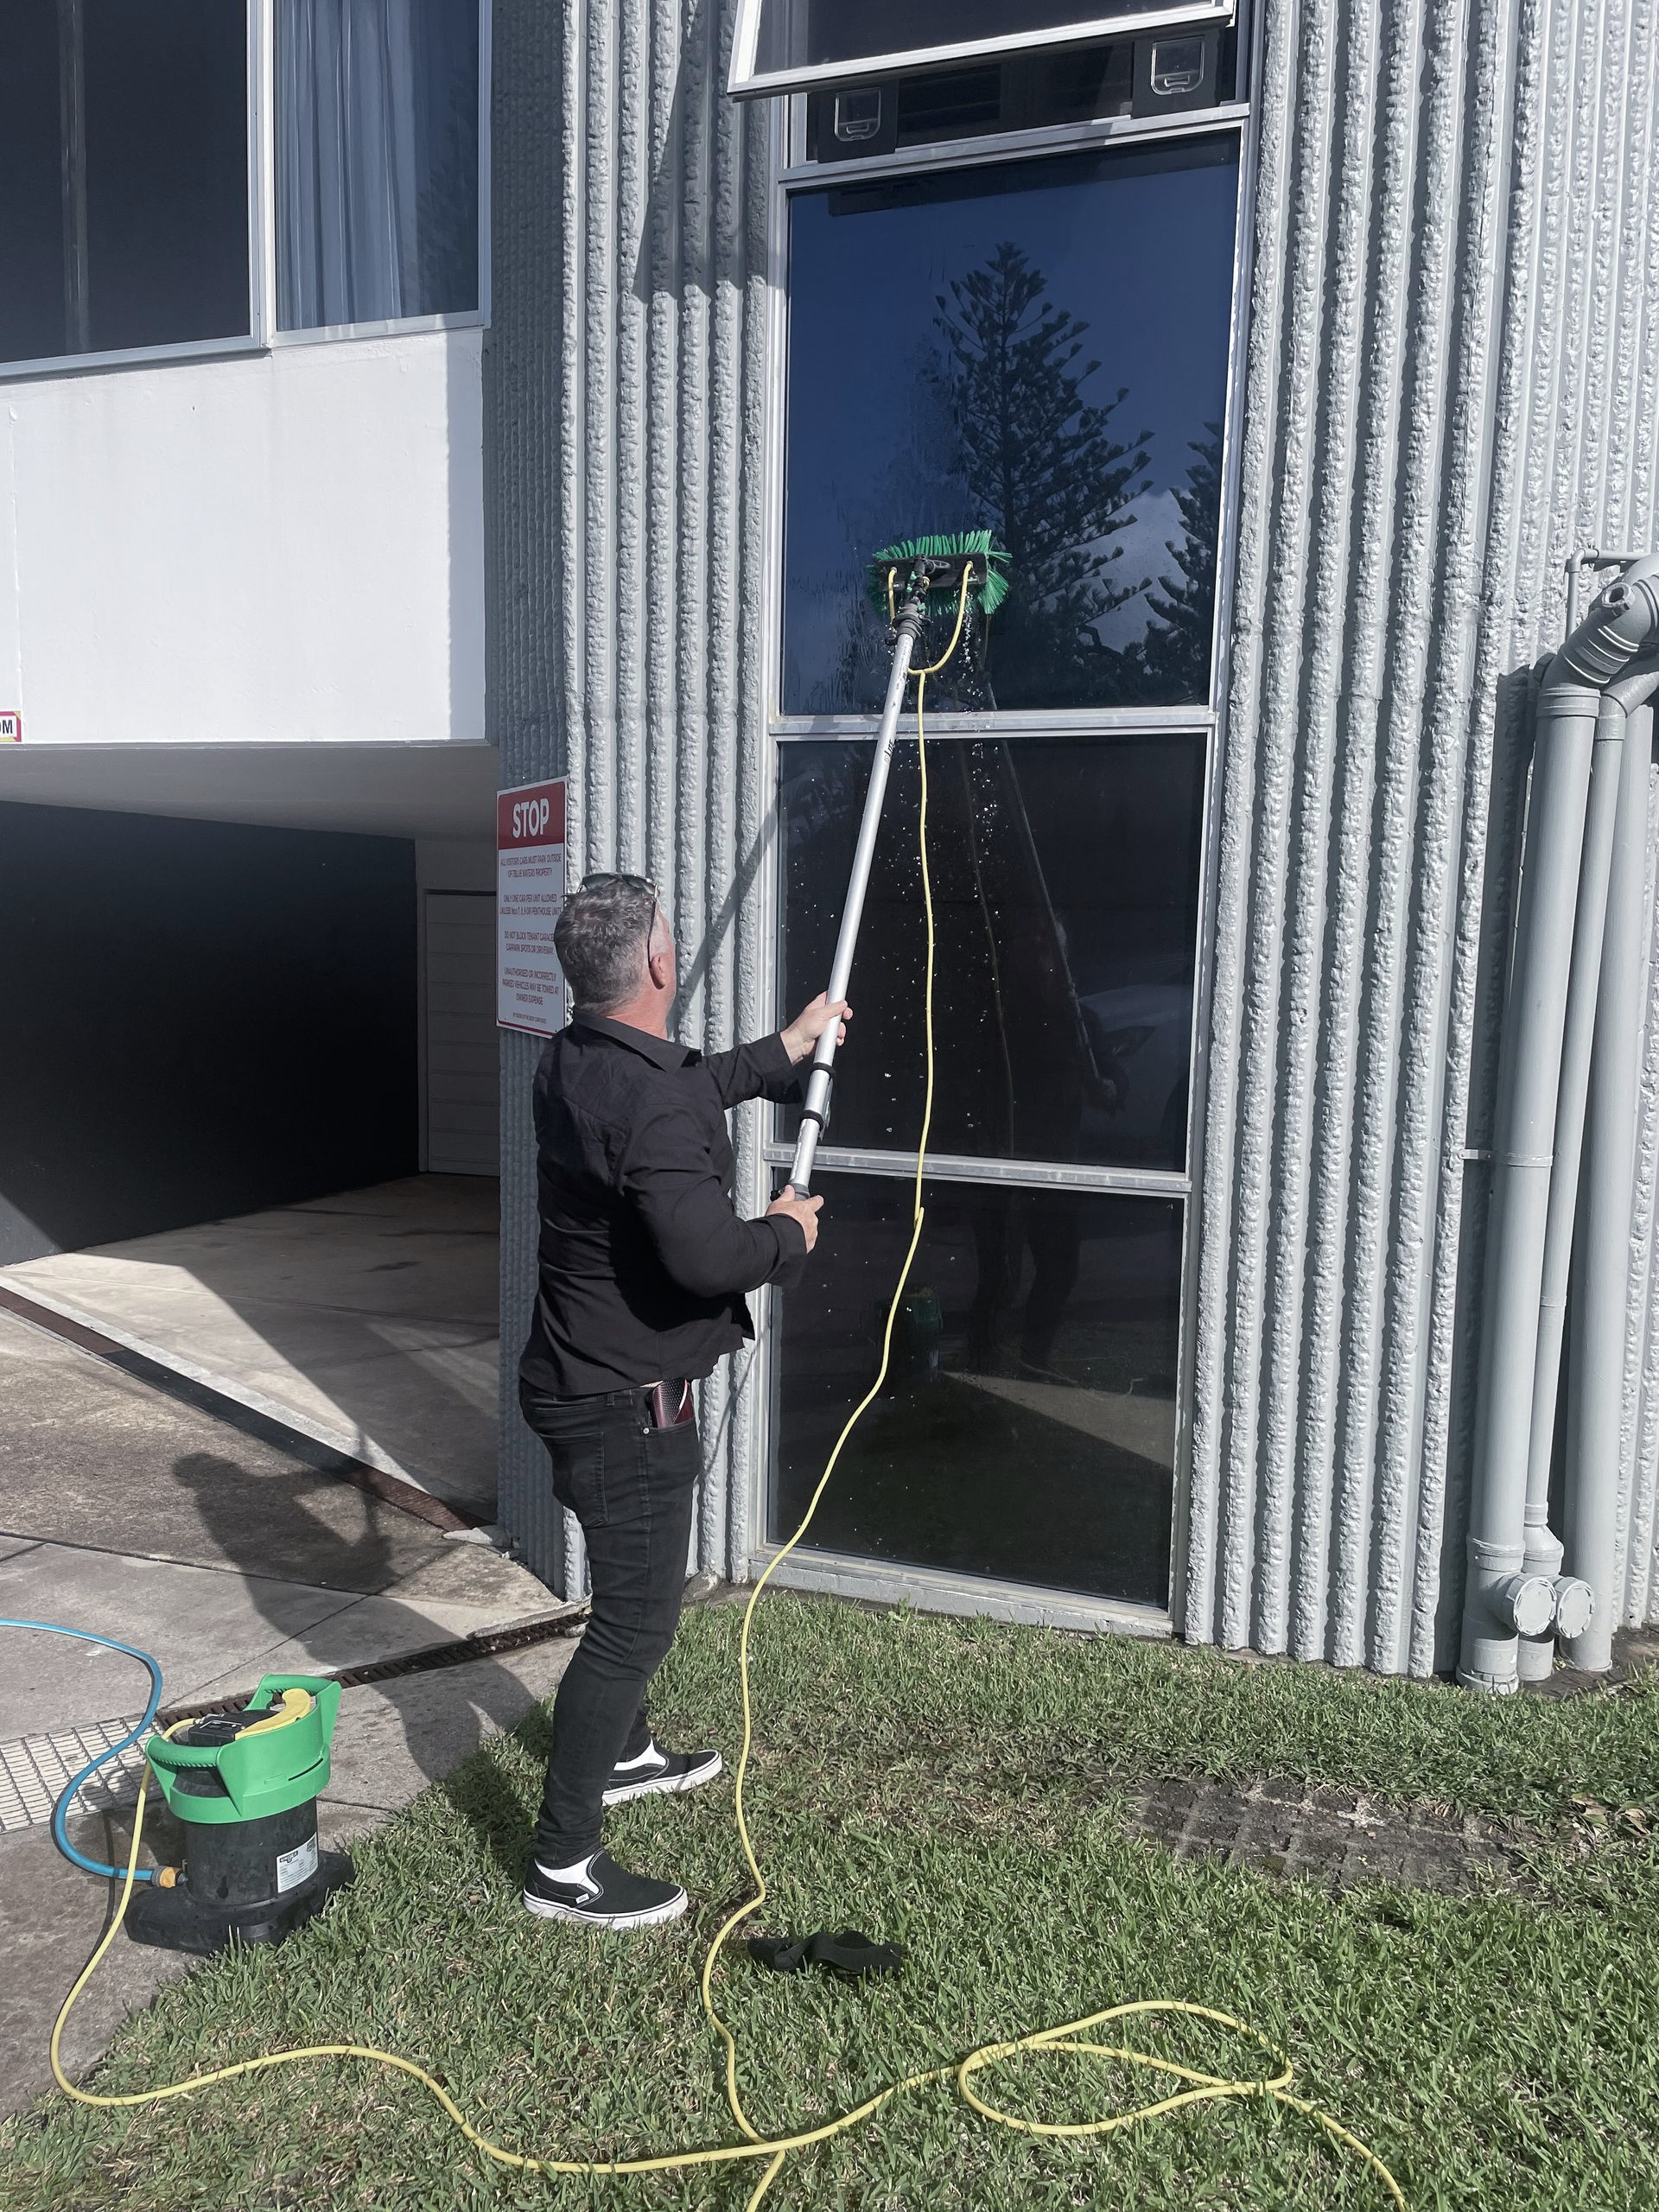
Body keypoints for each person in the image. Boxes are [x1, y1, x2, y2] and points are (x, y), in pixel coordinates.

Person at [518, 871, 846, 1930]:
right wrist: (788, 1234)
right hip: (622, 1403)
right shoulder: (646, 1095)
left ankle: (624, 1752)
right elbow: (709, 1258)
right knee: (633, 1625)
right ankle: (562, 1861)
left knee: (632, 1606)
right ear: (661, 964)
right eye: (672, 939)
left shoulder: (573, 1058)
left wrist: (785, 1049)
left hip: (581, 1381)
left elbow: (683, 1086)